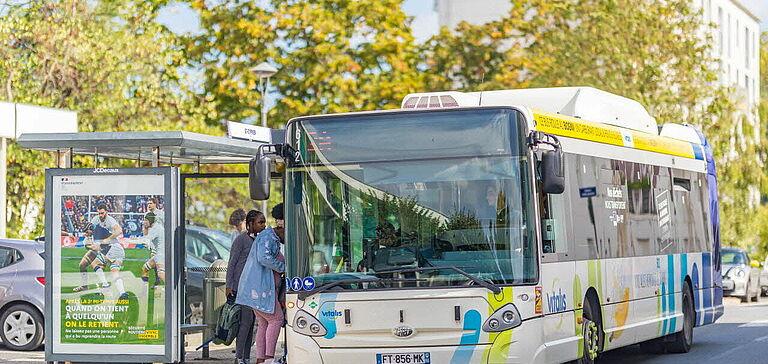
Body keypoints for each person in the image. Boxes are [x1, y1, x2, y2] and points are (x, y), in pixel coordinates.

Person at [236, 204, 286, 364]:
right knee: (276, 319)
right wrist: (283, 267)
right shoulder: (268, 237)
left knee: (264, 323)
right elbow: (263, 258)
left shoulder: (270, 237)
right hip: (260, 290)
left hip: (258, 291)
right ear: (282, 228)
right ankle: (269, 358)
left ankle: (261, 359)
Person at [227, 210, 267, 364]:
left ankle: (246, 356)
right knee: (245, 322)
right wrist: (229, 285)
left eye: (264, 222)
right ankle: (239, 357)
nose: (263, 225)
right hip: (241, 287)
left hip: (255, 287)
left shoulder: (261, 240)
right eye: (260, 222)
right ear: (250, 224)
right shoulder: (240, 240)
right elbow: (232, 263)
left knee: (251, 323)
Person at [74, 204, 127, 300]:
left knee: (97, 264)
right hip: (99, 247)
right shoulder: (95, 220)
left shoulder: (110, 220)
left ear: (106, 212)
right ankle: (85, 286)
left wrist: (107, 239)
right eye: (99, 213)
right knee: (82, 265)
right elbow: (89, 230)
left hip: (109, 247)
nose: (101, 215)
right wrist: (89, 240)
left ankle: (106, 286)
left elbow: (119, 230)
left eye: (102, 213)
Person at [141, 212, 165, 298]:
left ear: (150, 220)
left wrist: (145, 229)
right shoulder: (156, 227)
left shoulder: (155, 229)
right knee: (144, 268)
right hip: (160, 253)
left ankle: (172, 291)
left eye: (146, 220)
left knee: (161, 274)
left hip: (161, 254)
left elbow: (146, 240)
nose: (144, 222)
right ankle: (144, 292)